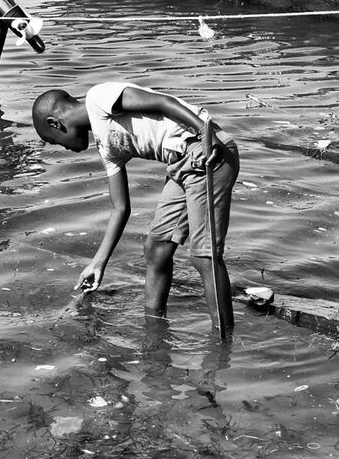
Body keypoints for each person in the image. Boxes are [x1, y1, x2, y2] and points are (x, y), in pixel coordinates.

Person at [31, 82, 238, 334]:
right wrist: (98, 263)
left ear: (55, 123)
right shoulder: (106, 148)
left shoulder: (98, 98)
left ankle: (223, 342)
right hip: (181, 165)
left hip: (207, 152)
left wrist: (208, 137)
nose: (61, 148)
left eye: (51, 141)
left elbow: (163, 102)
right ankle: (154, 331)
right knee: (156, 249)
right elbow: (120, 208)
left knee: (204, 255)